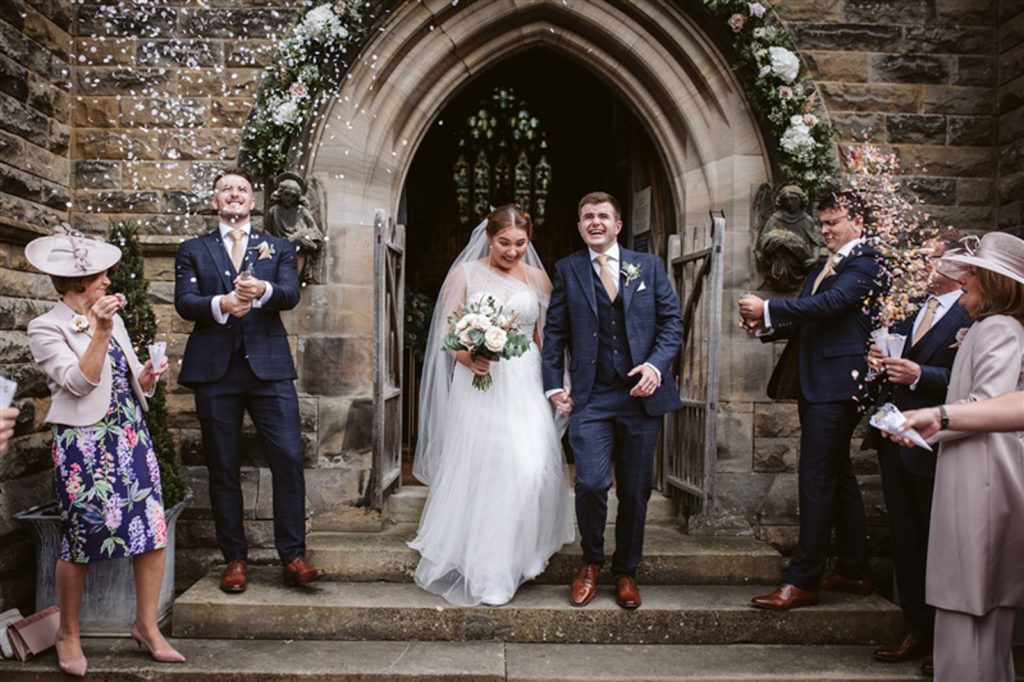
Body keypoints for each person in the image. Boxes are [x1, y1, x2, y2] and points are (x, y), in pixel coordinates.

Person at [25, 228, 181, 677]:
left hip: (129, 435)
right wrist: (100, 331)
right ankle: (67, 633)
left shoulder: (117, 319)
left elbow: (129, 379)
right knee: (82, 538)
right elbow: (78, 383)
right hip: (84, 444)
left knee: (151, 531)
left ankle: (147, 627)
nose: (110, 280)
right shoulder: (45, 326)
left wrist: (148, 375)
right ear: (78, 283)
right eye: (102, 275)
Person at [409, 205, 574, 606]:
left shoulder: (536, 278)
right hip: (480, 384)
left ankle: (526, 552)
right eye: (505, 243)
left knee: (531, 467)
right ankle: (493, 570)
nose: (513, 251)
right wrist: (470, 356)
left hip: (526, 382)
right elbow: (447, 334)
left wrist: (560, 385)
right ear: (488, 236)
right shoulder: (465, 274)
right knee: (490, 472)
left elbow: (544, 338)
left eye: (520, 243)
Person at [174, 167, 325, 594]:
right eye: (226, 189)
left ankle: (293, 556)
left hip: (269, 369)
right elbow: (185, 302)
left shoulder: (276, 246)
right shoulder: (193, 248)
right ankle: (234, 560)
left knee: (289, 459)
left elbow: (291, 293)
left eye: (242, 189)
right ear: (215, 200)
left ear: (253, 201)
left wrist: (262, 291)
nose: (235, 195)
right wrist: (221, 303)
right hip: (215, 372)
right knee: (223, 467)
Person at [883, 231, 1024, 682]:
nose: (961, 284)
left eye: (970, 279)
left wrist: (935, 419)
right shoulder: (988, 327)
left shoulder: (1001, 328)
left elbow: (990, 403)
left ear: (994, 282)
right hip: (966, 464)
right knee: (966, 604)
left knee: (972, 603)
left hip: (981, 473)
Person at [738, 190, 886, 611]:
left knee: (815, 476)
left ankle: (804, 580)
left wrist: (768, 309)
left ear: (857, 221)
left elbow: (832, 304)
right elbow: (812, 316)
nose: (823, 231)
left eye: (832, 223)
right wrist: (764, 328)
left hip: (840, 384)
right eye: (821, 224)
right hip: (816, 382)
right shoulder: (823, 265)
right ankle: (855, 570)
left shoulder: (868, 263)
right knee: (837, 474)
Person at [541, 191, 684, 609]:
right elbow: (555, 333)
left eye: (603, 216)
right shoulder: (568, 270)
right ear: (581, 225)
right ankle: (590, 562)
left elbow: (672, 323)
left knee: (636, 491)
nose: (595, 222)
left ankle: (626, 571)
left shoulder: (650, 267)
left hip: (642, 398)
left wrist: (655, 367)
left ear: (618, 225)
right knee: (589, 482)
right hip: (593, 397)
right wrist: (553, 384)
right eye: (588, 216)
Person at [863, 232, 970, 674]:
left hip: (936, 445)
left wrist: (919, 373)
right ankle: (915, 627)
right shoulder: (910, 311)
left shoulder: (971, 313)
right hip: (896, 440)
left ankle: (944, 640)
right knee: (905, 538)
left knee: (937, 542)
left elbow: (973, 382)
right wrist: (879, 361)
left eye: (930, 259)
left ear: (955, 268)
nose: (921, 266)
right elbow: (894, 363)